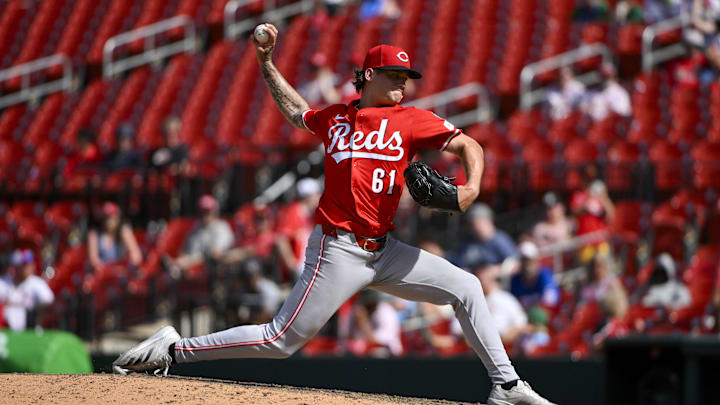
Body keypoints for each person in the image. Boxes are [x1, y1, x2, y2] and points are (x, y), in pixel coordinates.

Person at [113, 26, 555, 405]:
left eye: (406, 75)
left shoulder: (411, 120)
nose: (403, 81)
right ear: (368, 76)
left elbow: (468, 145)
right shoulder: (337, 119)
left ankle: (507, 384)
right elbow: (295, 111)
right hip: (339, 250)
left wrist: (471, 186)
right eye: (393, 74)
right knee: (281, 340)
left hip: (385, 250)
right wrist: (267, 62)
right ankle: (173, 350)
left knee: (467, 287)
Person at [164, 195, 234, 277]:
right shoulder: (196, 228)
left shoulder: (221, 227)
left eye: (207, 212)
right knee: (168, 275)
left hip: (214, 270)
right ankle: (175, 268)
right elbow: (184, 251)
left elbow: (216, 253)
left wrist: (188, 261)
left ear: (214, 211)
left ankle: (176, 267)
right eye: (202, 212)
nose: (204, 215)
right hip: (192, 268)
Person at [451, 203, 519, 276]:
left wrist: (493, 271)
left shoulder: (500, 239)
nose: (473, 227)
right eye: (471, 224)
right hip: (472, 281)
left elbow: (515, 264)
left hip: (494, 282)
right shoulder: (468, 242)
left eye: (477, 222)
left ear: (488, 221)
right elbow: (459, 262)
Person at [473, 262, 529, 347]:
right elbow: (458, 330)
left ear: (492, 279)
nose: (482, 282)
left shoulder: (506, 299)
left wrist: (504, 337)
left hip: (504, 347)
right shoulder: (472, 301)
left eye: (484, 278)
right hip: (476, 348)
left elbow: (521, 323)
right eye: (479, 278)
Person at [0, 249, 54, 331]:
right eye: (24, 265)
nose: (28, 267)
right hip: (6, 331)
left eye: (29, 264)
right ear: (15, 267)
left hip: (29, 331)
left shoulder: (36, 283)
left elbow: (48, 300)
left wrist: (34, 312)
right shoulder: (3, 282)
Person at [87, 202, 143, 272]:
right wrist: (106, 269)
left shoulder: (124, 232)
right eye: (106, 217)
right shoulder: (94, 234)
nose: (108, 221)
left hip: (121, 273)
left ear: (117, 218)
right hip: (102, 274)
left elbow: (136, 256)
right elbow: (93, 260)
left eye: (111, 218)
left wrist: (125, 266)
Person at [510, 241, 561, 311]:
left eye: (529, 260)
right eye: (524, 261)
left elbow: (552, 301)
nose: (527, 264)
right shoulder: (515, 280)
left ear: (536, 260)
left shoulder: (545, 275)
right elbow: (514, 306)